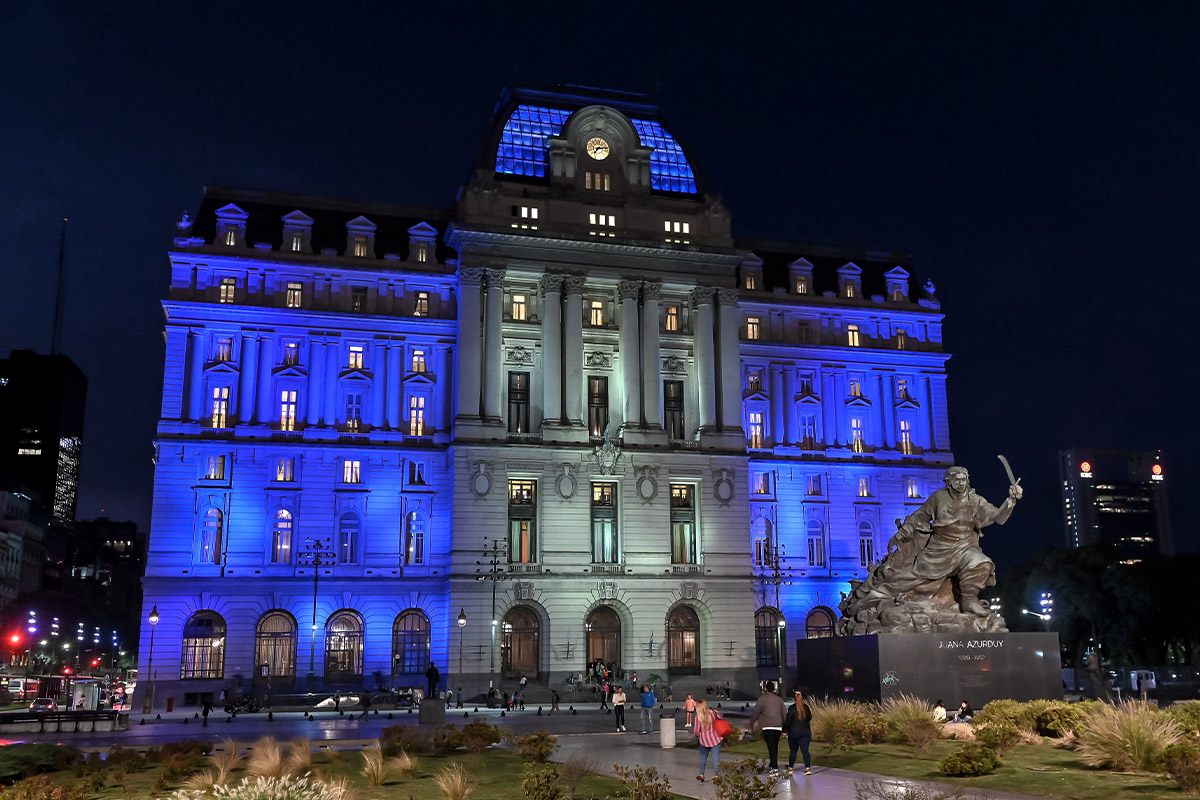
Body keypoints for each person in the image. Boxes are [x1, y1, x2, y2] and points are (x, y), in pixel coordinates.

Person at [748, 681, 787, 774]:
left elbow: (755, 713)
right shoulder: (779, 700)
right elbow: (784, 715)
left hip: (767, 727)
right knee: (774, 746)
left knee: (771, 746)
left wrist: (751, 725)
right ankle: (773, 763)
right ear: (774, 689)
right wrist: (785, 728)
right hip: (778, 727)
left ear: (765, 689)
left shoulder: (762, 700)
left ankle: (774, 766)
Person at [694, 698, 724, 782]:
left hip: (704, 741)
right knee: (716, 758)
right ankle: (716, 776)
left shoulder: (698, 717)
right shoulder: (713, 713)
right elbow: (721, 719)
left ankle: (701, 774)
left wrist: (695, 736)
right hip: (716, 739)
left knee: (703, 758)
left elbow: (696, 731)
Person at [784, 690, 813, 775]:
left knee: (793, 751)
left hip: (794, 733)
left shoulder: (792, 708)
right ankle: (807, 768)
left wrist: (785, 730)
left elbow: (788, 721)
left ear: (794, 698)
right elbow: (809, 718)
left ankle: (790, 768)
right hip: (805, 732)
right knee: (805, 751)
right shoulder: (806, 708)